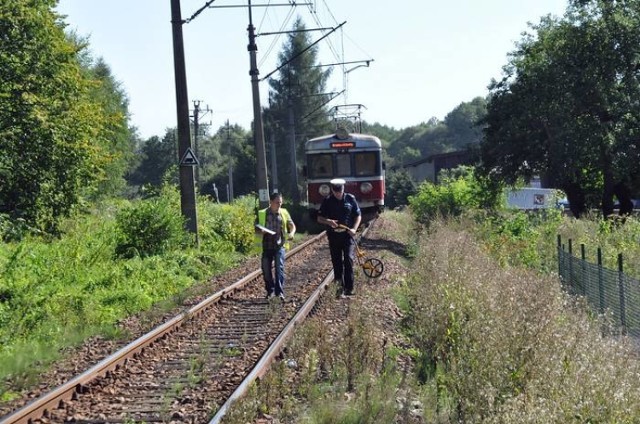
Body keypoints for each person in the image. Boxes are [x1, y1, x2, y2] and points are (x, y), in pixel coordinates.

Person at [316, 178, 362, 297]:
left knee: (348, 259)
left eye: (340, 191)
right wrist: (328, 221)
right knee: (337, 262)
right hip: (333, 235)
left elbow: (358, 216)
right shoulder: (327, 201)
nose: (338, 193)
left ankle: (349, 288)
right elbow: (319, 218)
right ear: (332, 190)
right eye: (336, 191)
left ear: (343, 189)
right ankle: (339, 288)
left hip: (347, 235)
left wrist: (354, 229)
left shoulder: (350, 199)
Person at [256, 192, 296, 301]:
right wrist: (262, 231)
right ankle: (270, 291)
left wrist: (291, 233)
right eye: (277, 202)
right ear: (271, 202)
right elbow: (256, 228)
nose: (279, 205)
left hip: (279, 245)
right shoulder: (262, 213)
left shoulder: (284, 212)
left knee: (279, 269)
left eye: (280, 203)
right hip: (266, 246)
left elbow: (291, 225)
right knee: (266, 270)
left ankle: (279, 293)